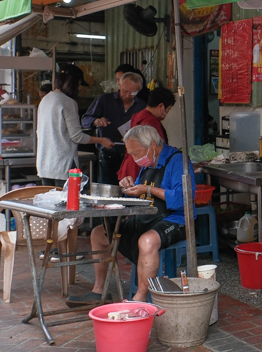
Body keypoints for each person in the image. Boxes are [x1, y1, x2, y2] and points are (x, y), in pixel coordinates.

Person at [68, 125, 194, 306]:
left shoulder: (177, 161)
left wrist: (149, 189)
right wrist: (129, 187)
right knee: (98, 234)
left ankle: (140, 298)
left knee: (147, 241)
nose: (135, 158)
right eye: (131, 154)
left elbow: (183, 198)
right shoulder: (149, 162)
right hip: (146, 217)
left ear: (151, 145)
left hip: (175, 219)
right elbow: (142, 193)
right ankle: (99, 290)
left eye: (136, 153)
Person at [36, 71, 113, 187]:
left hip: (44, 163)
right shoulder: (68, 102)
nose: (79, 89)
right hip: (62, 164)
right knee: (65, 202)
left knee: (48, 201)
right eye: (78, 85)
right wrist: (101, 140)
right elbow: (77, 137)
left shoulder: (45, 99)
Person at [81, 71, 146, 184]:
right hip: (108, 154)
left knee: (130, 189)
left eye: (133, 93)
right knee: (107, 190)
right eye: (125, 91)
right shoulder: (104, 100)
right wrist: (96, 121)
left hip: (132, 156)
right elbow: (84, 120)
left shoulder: (142, 106)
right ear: (119, 85)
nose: (127, 95)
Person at [117, 86, 176, 183]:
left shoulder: (138, 115)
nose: (166, 114)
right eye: (168, 110)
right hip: (139, 169)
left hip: (130, 166)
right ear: (161, 106)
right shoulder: (151, 122)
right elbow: (160, 149)